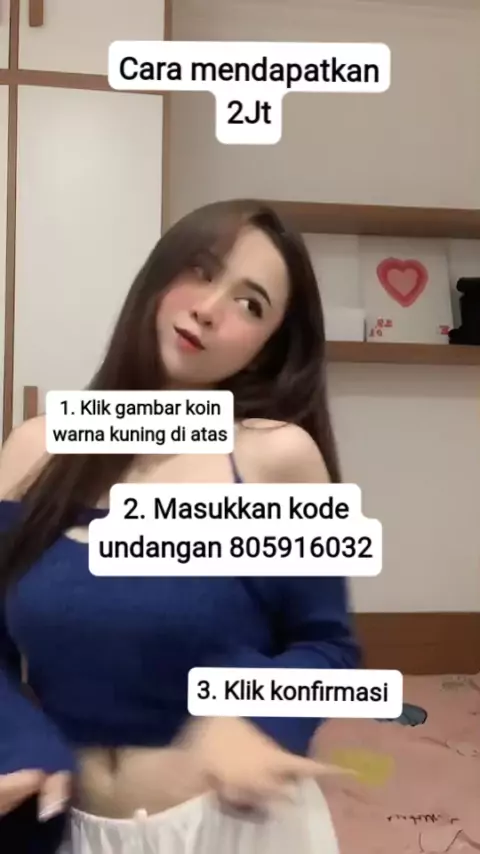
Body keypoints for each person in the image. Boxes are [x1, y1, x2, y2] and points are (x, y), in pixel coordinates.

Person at [0, 199, 359, 853]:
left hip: (226, 829)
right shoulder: (32, 451)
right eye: (201, 270)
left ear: (265, 349)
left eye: (250, 304)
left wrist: (257, 716)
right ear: (158, 276)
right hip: (64, 831)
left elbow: (327, 648)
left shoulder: (275, 458)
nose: (211, 309)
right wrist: (14, 738)